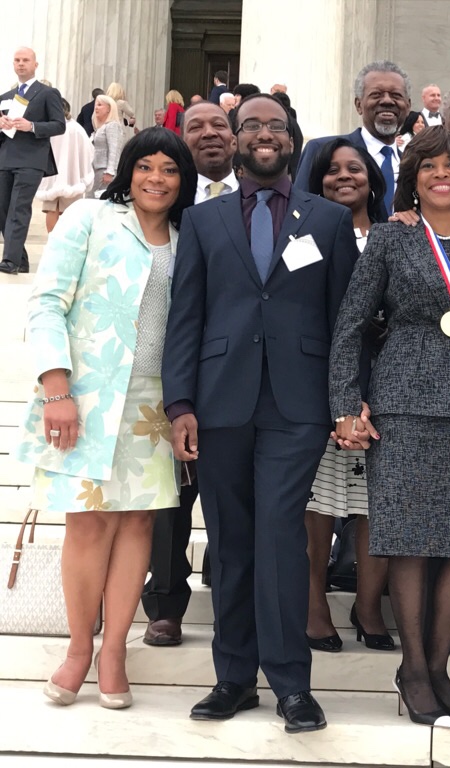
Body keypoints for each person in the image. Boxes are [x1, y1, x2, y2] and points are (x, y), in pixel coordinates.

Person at [162, 93, 360, 734]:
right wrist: (180, 403)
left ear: (292, 139)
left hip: (297, 405)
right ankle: (233, 679)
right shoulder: (204, 220)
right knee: (230, 540)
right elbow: (185, 316)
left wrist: (344, 402)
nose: (264, 135)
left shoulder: (327, 220)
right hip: (219, 402)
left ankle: (292, 685)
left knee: (280, 536)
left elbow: (345, 323)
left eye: (276, 126)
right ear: (236, 138)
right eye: (252, 126)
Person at [330, 126, 450, 728]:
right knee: (410, 541)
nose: (441, 175)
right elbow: (351, 326)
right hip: (405, 404)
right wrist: (345, 403)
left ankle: (439, 669)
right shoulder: (391, 240)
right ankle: (413, 670)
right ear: (413, 179)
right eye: (428, 167)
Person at [15, 127, 197, 709]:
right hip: (85, 395)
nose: (156, 179)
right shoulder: (90, 218)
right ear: (128, 170)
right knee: (89, 523)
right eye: (146, 166)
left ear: (182, 179)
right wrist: (56, 387)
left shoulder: (187, 235)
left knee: (139, 525)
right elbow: (47, 302)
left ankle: (115, 648)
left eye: (170, 169)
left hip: (152, 403)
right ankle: (77, 646)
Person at [140, 100, 238, 647]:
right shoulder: (168, 202)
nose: (208, 135)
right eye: (195, 127)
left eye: (218, 125)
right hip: (168, 373)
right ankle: (166, 603)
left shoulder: (260, 199)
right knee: (169, 503)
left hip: (234, 376)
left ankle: (228, 598)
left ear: (236, 135)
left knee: (229, 501)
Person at [303, 136, 393, 654]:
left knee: (372, 501)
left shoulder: (396, 232)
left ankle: (368, 603)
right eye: (332, 169)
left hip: (385, 383)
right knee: (319, 500)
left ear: (372, 179)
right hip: (320, 383)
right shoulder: (306, 232)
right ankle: (314, 600)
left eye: (354, 168)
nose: (344, 176)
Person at [294, 60, 411, 211]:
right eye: (376, 94)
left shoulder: (412, 165)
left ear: (408, 106)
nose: (387, 100)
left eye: (396, 95)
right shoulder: (320, 149)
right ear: (358, 105)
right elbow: (299, 213)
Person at [0, 47, 66, 275]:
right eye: (17, 60)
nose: (21, 64)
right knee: (4, 211)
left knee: (18, 208)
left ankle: (9, 261)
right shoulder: (5, 97)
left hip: (31, 160)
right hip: (5, 158)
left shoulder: (48, 93)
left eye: (25, 60)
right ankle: (20, 258)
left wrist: (32, 126)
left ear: (35, 64)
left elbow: (59, 125)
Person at [35, 98, 94, 232]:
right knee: (70, 213)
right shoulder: (76, 128)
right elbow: (88, 151)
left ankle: (52, 241)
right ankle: (66, 243)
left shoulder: (48, 128)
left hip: (51, 177)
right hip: (72, 176)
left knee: (52, 210)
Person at [89, 95, 123, 197]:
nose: (96, 108)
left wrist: (110, 172)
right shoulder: (101, 127)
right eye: (95, 105)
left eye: (100, 105)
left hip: (104, 170)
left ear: (109, 109)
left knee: (97, 200)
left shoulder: (112, 125)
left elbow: (114, 149)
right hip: (96, 169)